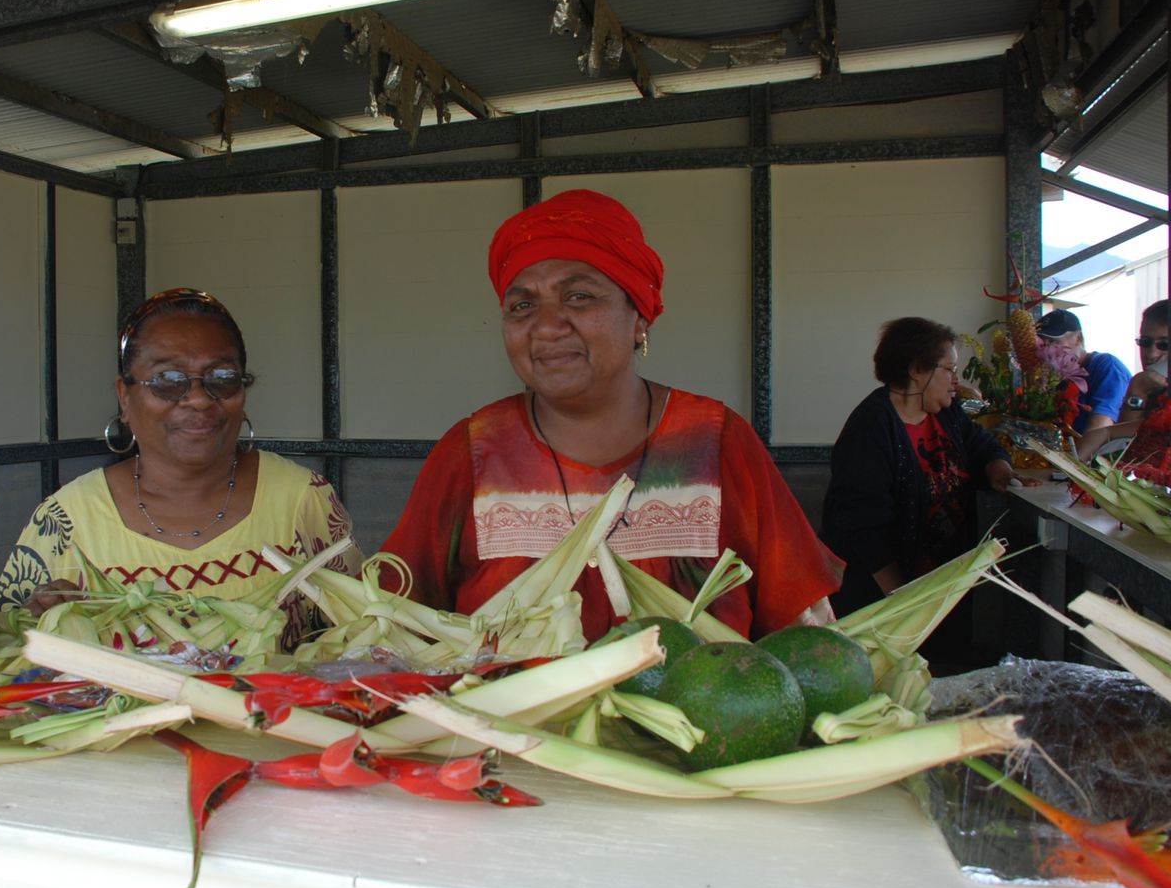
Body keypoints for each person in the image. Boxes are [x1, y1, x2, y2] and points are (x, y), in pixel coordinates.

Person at [376, 189, 840, 644]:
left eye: (578, 297)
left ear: (639, 317)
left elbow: (804, 641)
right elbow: (393, 629)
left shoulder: (714, 443)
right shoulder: (473, 452)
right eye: (522, 305)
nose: (547, 324)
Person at [0, 288, 361, 645]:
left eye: (222, 378)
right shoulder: (66, 521)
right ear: (125, 396)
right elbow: (5, 648)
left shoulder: (303, 499)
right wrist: (40, 619)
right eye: (169, 381)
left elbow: (363, 637)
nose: (198, 399)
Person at [819, 317, 1013, 623]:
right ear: (917, 370)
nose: (956, 381)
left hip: (937, 590)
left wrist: (998, 469)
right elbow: (864, 523)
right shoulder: (871, 428)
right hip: (885, 600)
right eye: (948, 370)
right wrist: (902, 599)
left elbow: (982, 446)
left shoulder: (947, 415)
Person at [1073, 300, 1170, 461]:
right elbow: (1120, 449)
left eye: (1164, 345)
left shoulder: (1110, 367)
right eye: (1145, 343)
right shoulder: (1146, 386)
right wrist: (1137, 394)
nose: (1151, 354)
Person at [1034, 308, 1130, 434]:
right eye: (1043, 344)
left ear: (1078, 338)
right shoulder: (1059, 377)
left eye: (1053, 342)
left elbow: (1100, 427)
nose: (1048, 350)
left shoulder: (1106, 365)